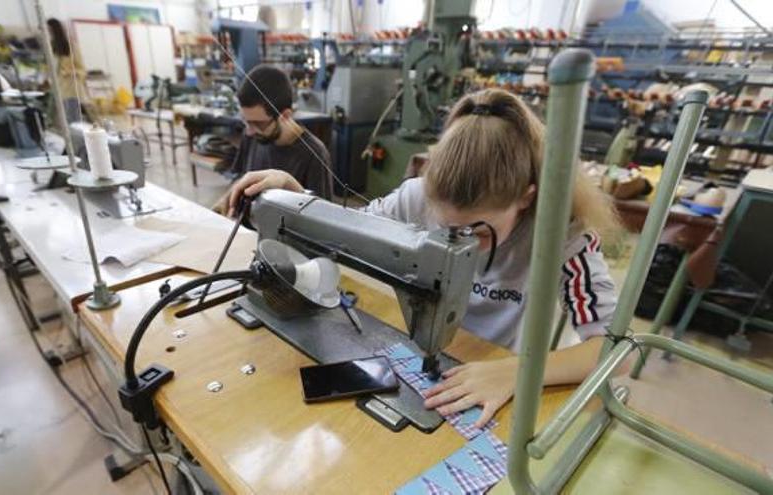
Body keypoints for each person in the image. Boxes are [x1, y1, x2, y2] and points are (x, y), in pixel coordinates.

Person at [223, 88, 621, 428]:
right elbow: (346, 231)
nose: (460, 244)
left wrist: (518, 372)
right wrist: (297, 199)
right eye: (446, 230)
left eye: (478, 232)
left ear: (526, 197)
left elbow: (615, 350)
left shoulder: (563, 238)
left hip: (493, 370)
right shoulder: (416, 196)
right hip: (439, 360)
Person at [211, 65, 333, 214]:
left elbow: (322, 216)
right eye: (246, 121)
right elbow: (241, 176)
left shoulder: (314, 154)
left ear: (285, 116)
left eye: (257, 123)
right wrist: (227, 199)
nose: (249, 131)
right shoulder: (252, 134)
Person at [46, 18, 96, 123]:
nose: (48, 33)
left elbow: (82, 70)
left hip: (71, 91)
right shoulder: (52, 47)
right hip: (58, 91)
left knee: (73, 123)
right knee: (58, 123)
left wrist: (69, 72)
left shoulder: (70, 46)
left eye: (49, 30)